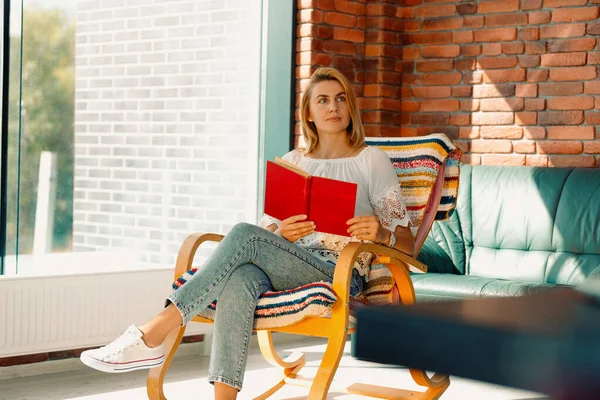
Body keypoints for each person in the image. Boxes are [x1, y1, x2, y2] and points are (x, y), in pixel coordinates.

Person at [79, 67, 415, 400]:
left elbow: (409, 244)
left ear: (350, 107)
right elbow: (267, 230)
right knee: (241, 275)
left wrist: (381, 232)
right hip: (288, 264)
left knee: (244, 235)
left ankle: (153, 332)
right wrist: (280, 230)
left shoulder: (372, 161)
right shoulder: (293, 161)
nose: (334, 107)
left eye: (341, 99)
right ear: (309, 113)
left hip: (339, 272)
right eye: (323, 100)